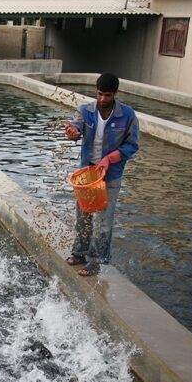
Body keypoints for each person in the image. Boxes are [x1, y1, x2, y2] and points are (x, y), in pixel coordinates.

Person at [64, 73, 139, 276]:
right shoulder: (85, 111)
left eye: (107, 95)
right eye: (100, 94)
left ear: (115, 93)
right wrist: (72, 133)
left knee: (104, 220)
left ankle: (96, 260)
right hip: (88, 174)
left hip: (111, 175)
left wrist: (110, 158)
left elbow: (132, 145)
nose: (103, 99)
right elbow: (76, 129)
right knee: (83, 215)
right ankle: (79, 252)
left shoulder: (127, 115)